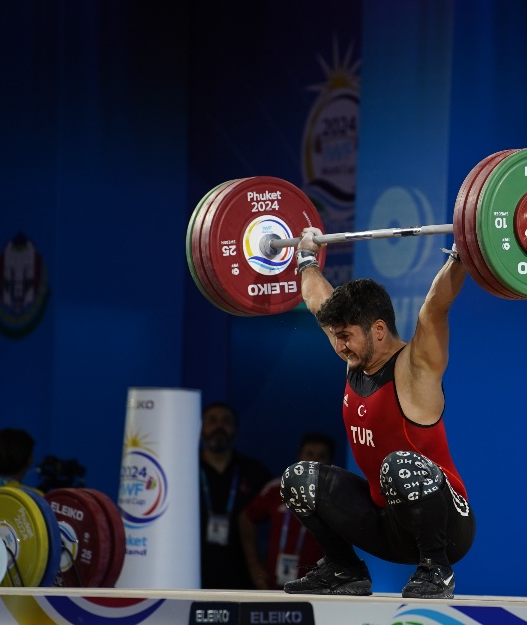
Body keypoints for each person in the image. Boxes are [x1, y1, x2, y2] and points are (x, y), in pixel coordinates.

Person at [278, 229, 475, 600]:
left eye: (346, 336)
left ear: (379, 330)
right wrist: (306, 257)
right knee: (298, 478)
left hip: (448, 527)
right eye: (336, 336)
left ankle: (436, 570)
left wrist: (462, 254)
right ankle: (343, 569)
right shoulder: (355, 354)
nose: (339, 346)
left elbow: (436, 304)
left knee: (398, 466)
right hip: (387, 523)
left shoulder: (416, 366)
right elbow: (318, 298)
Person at [239, 432, 336, 589]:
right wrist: (254, 566)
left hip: (318, 589)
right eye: (309, 454)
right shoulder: (277, 489)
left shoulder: (337, 496)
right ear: (298, 458)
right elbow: (246, 518)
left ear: (330, 462)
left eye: (321, 456)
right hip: (274, 586)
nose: (313, 461)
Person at [199, 401, 272, 589]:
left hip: (244, 573)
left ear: (235, 429)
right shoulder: (184, 469)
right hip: (194, 570)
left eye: (226, 421)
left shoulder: (255, 472)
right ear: (200, 429)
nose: (219, 426)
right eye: (212, 420)